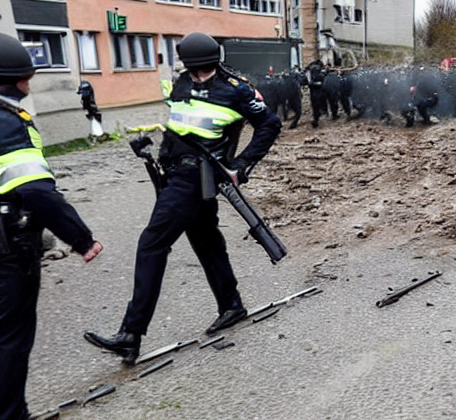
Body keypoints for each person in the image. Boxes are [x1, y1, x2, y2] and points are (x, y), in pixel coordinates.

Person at [85, 32, 281, 364]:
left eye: (205, 70)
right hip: (174, 172)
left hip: (197, 176)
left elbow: (269, 124)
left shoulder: (236, 89)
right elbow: (180, 125)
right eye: (194, 71)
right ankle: (231, 305)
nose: (199, 76)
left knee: (151, 243)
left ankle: (130, 334)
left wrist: (242, 164)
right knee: (206, 241)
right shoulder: (180, 83)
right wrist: (151, 146)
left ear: (215, 64)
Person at [0, 33, 103, 420]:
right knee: (11, 337)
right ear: (16, 81)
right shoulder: (10, 123)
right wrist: (81, 239)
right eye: (27, 76)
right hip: (9, 248)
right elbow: (36, 192)